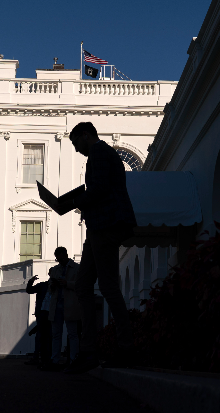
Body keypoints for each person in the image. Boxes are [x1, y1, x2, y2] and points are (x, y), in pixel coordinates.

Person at [61, 121, 137, 374]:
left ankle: (126, 349)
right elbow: (100, 188)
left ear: (85, 135)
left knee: (108, 287)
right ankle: (89, 351)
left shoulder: (100, 151)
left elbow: (101, 188)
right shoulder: (100, 153)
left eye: (75, 143)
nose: (75, 149)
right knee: (83, 285)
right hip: (98, 226)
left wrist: (73, 202)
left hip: (107, 225)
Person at [42, 246, 80, 371]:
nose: (59, 260)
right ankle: (55, 360)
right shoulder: (55, 270)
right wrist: (52, 285)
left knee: (73, 334)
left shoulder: (76, 268)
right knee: (56, 335)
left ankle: (73, 360)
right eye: (58, 259)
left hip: (70, 304)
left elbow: (81, 285)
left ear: (65, 255)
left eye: (61, 258)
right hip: (56, 305)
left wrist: (67, 283)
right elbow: (49, 288)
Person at [25, 274, 51, 365]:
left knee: (48, 336)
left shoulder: (58, 287)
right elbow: (29, 290)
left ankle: (46, 358)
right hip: (42, 313)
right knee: (40, 336)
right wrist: (31, 281)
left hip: (52, 313)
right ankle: (38, 358)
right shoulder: (42, 285)